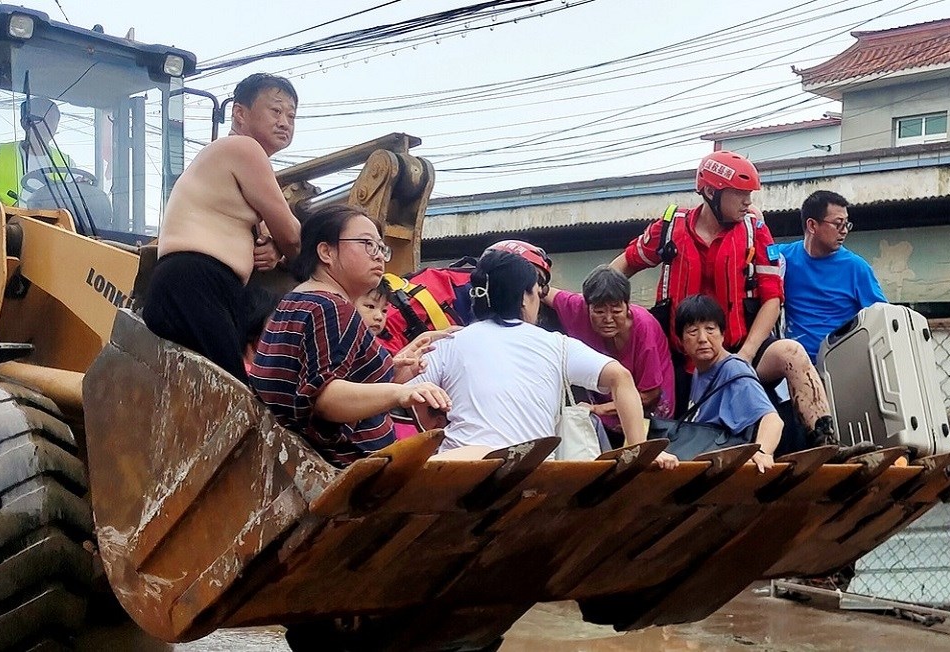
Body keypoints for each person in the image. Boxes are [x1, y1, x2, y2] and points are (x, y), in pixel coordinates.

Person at [610, 149, 835, 446]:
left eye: (750, 194)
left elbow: (772, 300)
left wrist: (745, 356)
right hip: (679, 359)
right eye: (740, 193)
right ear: (711, 192)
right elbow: (621, 267)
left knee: (791, 353)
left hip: (742, 351)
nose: (748, 202)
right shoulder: (669, 228)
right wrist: (604, 306)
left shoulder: (755, 231)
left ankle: (825, 442)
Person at [407, 249, 679, 469]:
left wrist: (433, 422)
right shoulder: (555, 345)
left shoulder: (449, 343)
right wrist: (636, 450)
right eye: (536, 292)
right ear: (525, 298)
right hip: (531, 473)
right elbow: (621, 377)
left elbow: (404, 395)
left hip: (457, 470)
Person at [250, 203, 449, 468]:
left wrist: (394, 371)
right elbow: (325, 399)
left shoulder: (298, 299)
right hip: (349, 475)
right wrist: (401, 394)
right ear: (326, 251)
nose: (379, 256)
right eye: (367, 243)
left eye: (381, 247)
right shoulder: (331, 307)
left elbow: (330, 382)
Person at [143, 73, 303, 383]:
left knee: (203, 398)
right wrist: (290, 250)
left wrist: (272, 249)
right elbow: (292, 235)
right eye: (276, 111)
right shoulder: (244, 149)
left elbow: (267, 234)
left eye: (292, 115)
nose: (285, 121)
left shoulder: (231, 159)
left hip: (195, 284)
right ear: (240, 113)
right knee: (232, 396)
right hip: (195, 280)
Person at [544, 265, 674, 447]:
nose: (608, 318)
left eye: (616, 310)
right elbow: (543, 291)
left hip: (651, 418)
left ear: (627, 305)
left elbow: (650, 394)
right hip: (605, 418)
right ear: (586, 306)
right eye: (599, 311)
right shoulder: (576, 307)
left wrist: (598, 409)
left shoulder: (644, 327)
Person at [675, 295, 781, 473]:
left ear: (722, 335)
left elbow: (772, 420)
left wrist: (762, 452)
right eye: (693, 331)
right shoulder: (699, 371)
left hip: (726, 470)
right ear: (681, 340)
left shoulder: (734, 370)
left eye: (710, 329)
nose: (702, 338)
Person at [778, 190, 887, 362]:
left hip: (841, 367)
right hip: (793, 364)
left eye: (846, 224)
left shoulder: (857, 268)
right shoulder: (783, 258)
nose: (844, 231)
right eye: (838, 224)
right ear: (812, 225)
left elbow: (883, 318)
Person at [0, 97, 75, 207]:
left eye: (53, 120)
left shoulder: (67, 163)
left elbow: (76, 202)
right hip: (3, 223)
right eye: (42, 119)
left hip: (53, 224)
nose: (49, 125)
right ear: (24, 123)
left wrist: (85, 186)